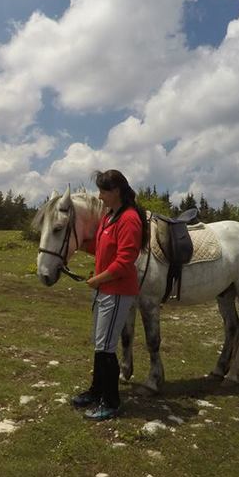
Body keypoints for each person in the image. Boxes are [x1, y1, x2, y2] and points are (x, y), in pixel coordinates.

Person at [71, 169, 147, 420]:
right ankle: (96, 391)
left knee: (106, 347)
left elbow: (125, 261)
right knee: (99, 344)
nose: (99, 196)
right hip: (104, 291)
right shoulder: (109, 217)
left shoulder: (129, 219)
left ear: (116, 191)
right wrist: (78, 245)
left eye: (103, 191)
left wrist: (98, 279)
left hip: (117, 292)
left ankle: (112, 401)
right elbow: (101, 246)